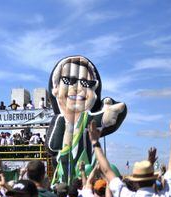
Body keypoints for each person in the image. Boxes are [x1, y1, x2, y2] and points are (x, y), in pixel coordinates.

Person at [46, 55, 127, 185]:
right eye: (69, 80)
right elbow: (52, 146)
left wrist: (108, 114)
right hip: (65, 174)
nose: (78, 88)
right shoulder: (60, 120)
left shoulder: (87, 118)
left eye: (87, 83)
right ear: (55, 87)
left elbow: (101, 120)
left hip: (89, 170)